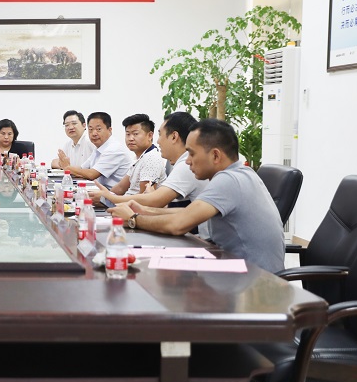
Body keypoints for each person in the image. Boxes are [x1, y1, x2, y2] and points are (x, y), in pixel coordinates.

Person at [109, 119, 285, 273]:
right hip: (238, 269)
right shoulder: (240, 173)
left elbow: (178, 224)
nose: (187, 161)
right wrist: (144, 211)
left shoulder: (228, 180)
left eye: (192, 153)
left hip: (253, 282)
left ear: (215, 155)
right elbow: (188, 213)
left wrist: (134, 219)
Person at [93, 112, 208, 208]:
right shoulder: (179, 163)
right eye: (128, 134)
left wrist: (111, 198)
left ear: (174, 137)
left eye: (160, 135)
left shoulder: (185, 166)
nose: (158, 141)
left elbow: (154, 200)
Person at [98, 114, 166, 199]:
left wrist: (109, 199)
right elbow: (120, 188)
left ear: (150, 135)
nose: (130, 138)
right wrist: (104, 198)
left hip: (133, 205)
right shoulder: (139, 157)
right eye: (128, 134)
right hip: (125, 202)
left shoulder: (151, 158)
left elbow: (144, 198)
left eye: (135, 134)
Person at [60, 111, 131, 188]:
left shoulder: (114, 149)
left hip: (113, 194)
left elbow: (91, 174)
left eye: (98, 129)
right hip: (101, 190)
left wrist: (67, 168)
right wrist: (67, 167)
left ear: (110, 130)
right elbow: (82, 168)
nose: (94, 133)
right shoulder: (99, 147)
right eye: (90, 129)